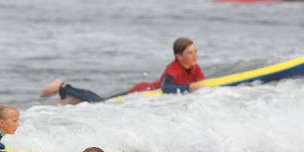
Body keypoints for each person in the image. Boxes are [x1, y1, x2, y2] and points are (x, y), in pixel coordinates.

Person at [40, 37, 205, 104]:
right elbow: (166, 87)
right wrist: (188, 88)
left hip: (146, 95)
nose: (194, 55)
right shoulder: (173, 68)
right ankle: (62, 87)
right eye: (190, 53)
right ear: (179, 55)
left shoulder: (194, 67)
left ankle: (70, 99)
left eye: (195, 51)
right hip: (141, 92)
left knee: (101, 102)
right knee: (103, 103)